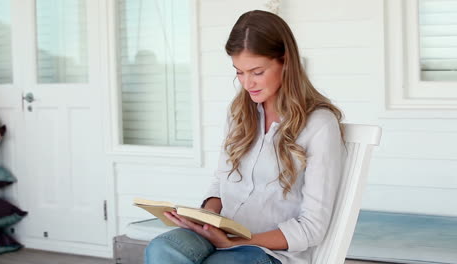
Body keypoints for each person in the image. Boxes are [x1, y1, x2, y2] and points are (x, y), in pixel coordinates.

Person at [145, 10, 344, 264]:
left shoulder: (318, 125)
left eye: (257, 72)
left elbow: (312, 227)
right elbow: (220, 182)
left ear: (286, 62)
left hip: (268, 252)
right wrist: (205, 219)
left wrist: (236, 242)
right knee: (162, 249)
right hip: (219, 237)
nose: (247, 83)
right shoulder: (239, 113)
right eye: (239, 72)